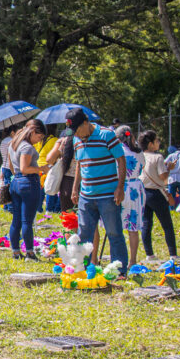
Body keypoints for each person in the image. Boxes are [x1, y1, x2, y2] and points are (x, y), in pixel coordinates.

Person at [67, 108, 128, 271]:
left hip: (108, 194)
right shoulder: (76, 139)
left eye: (78, 129)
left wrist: (120, 188)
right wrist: (75, 188)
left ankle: (120, 270)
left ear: (86, 122)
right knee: (84, 234)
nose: (77, 134)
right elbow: (79, 163)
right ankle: (83, 269)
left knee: (114, 233)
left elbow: (121, 160)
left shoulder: (106, 135)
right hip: (86, 195)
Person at [7, 119, 49, 260]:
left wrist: (17, 177)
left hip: (16, 182)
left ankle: (15, 251)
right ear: (32, 132)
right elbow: (25, 168)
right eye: (39, 137)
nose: (39, 141)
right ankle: (30, 253)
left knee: (16, 220)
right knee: (27, 221)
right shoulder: (27, 147)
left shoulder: (13, 144)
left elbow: (13, 167)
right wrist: (41, 169)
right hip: (28, 183)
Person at [105, 126, 145, 270]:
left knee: (115, 226)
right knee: (132, 227)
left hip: (119, 187)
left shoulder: (114, 150)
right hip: (134, 189)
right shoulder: (138, 152)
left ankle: (115, 258)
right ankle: (132, 260)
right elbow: (142, 167)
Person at [139, 131, 180, 262]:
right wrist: (170, 168)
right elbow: (163, 176)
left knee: (146, 224)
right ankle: (173, 254)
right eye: (157, 141)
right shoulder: (158, 157)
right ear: (150, 144)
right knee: (167, 224)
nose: (159, 143)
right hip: (156, 193)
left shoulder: (140, 155)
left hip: (143, 192)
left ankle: (149, 254)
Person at [46, 129, 78, 212]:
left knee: (69, 216)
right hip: (85, 182)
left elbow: (49, 159)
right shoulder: (84, 141)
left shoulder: (63, 142)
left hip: (67, 182)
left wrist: (59, 143)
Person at [37, 128, 59, 213]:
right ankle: (49, 209)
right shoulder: (54, 140)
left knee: (40, 190)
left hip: (39, 167)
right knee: (50, 188)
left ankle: (38, 209)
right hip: (48, 167)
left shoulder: (40, 140)